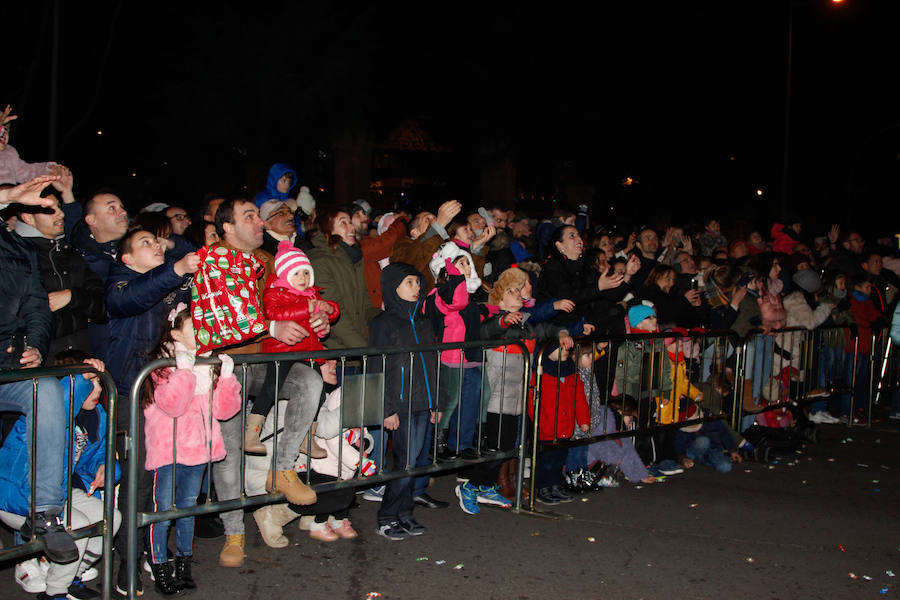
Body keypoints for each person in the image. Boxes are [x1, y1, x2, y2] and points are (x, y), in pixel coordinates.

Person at [209, 197, 323, 568]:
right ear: (227, 227)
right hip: (227, 367)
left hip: (265, 363)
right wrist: (273, 327)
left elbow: (290, 300)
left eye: (259, 216)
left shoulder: (267, 261)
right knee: (229, 455)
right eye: (250, 216)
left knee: (309, 380)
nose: (259, 222)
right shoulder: (213, 262)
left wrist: (317, 319)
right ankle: (234, 532)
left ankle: (283, 469)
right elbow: (225, 317)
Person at [105, 227, 200, 594]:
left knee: (167, 479)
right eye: (146, 242)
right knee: (139, 482)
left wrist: (172, 243)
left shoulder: (168, 283)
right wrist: (176, 269)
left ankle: (152, 548)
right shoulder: (120, 284)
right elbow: (132, 300)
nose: (156, 245)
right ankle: (127, 560)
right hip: (131, 395)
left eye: (156, 240)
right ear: (127, 258)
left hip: (164, 392)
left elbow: (198, 252)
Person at [0, 174, 81, 566]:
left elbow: (36, 304)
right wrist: (9, 196)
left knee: (46, 389)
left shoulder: (18, 248)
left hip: (6, 363)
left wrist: (34, 344)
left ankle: (46, 511)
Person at [0, 363, 120, 600]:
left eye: (99, 383)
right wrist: (79, 379)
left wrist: (106, 468)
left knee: (111, 518)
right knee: (77, 527)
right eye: (90, 383)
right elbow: (62, 400)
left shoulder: (94, 416)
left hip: (60, 492)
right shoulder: (42, 412)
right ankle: (55, 592)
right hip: (20, 496)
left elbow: (97, 454)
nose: (98, 390)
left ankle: (72, 576)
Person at [143, 305, 241, 595]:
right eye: (196, 328)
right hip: (168, 451)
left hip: (198, 450)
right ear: (176, 334)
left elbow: (224, 411)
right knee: (162, 511)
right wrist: (184, 371)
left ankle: (184, 563)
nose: (204, 332)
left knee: (188, 509)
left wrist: (226, 378)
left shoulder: (206, 364)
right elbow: (173, 405)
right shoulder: (162, 366)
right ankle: (160, 566)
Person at [247, 359, 368, 546]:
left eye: (334, 360)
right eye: (325, 361)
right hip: (269, 476)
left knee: (340, 488)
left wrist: (362, 441)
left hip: (295, 472)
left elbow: (340, 436)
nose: (334, 364)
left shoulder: (322, 396)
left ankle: (307, 515)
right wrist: (354, 401)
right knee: (341, 494)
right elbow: (326, 428)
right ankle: (270, 515)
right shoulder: (296, 394)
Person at [368, 262, 444, 539]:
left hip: (423, 402)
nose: (417, 288)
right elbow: (377, 367)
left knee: (413, 461)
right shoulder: (383, 323)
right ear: (393, 287)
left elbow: (432, 363)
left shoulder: (424, 323)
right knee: (406, 462)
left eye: (418, 282)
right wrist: (387, 408)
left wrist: (437, 401)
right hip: (399, 404)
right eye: (409, 282)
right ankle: (387, 516)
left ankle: (405, 513)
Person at [248, 240, 340, 454]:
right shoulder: (275, 292)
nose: (303, 278)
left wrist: (328, 309)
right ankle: (251, 433)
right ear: (285, 274)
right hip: (282, 351)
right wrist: (305, 308)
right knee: (271, 388)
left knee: (319, 392)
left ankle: (307, 437)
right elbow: (274, 313)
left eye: (306, 273)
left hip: (308, 352)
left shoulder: (312, 295)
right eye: (296, 273)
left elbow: (333, 311)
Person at [15, 190, 106, 359]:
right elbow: (22, 322)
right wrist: (82, 316)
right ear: (28, 218)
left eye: (59, 207)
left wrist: (72, 296)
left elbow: (104, 307)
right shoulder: (16, 258)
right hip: (40, 365)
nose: (61, 214)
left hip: (82, 360)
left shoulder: (70, 254)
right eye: (50, 209)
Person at [307, 208, 381, 350]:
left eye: (350, 222)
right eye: (343, 223)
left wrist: (390, 318)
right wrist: (364, 350)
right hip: (335, 350)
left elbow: (365, 306)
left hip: (355, 346)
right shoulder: (320, 261)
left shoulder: (354, 259)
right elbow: (336, 317)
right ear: (327, 230)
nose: (351, 227)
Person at [529, 342, 590, 505]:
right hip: (547, 426)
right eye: (561, 348)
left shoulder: (571, 371)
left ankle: (555, 485)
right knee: (547, 460)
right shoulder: (540, 373)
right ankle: (543, 487)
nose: (566, 351)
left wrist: (584, 420)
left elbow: (579, 397)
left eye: (567, 348)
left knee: (559, 458)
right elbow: (531, 401)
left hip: (565, 426)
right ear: (549, 351)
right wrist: (538, 421)